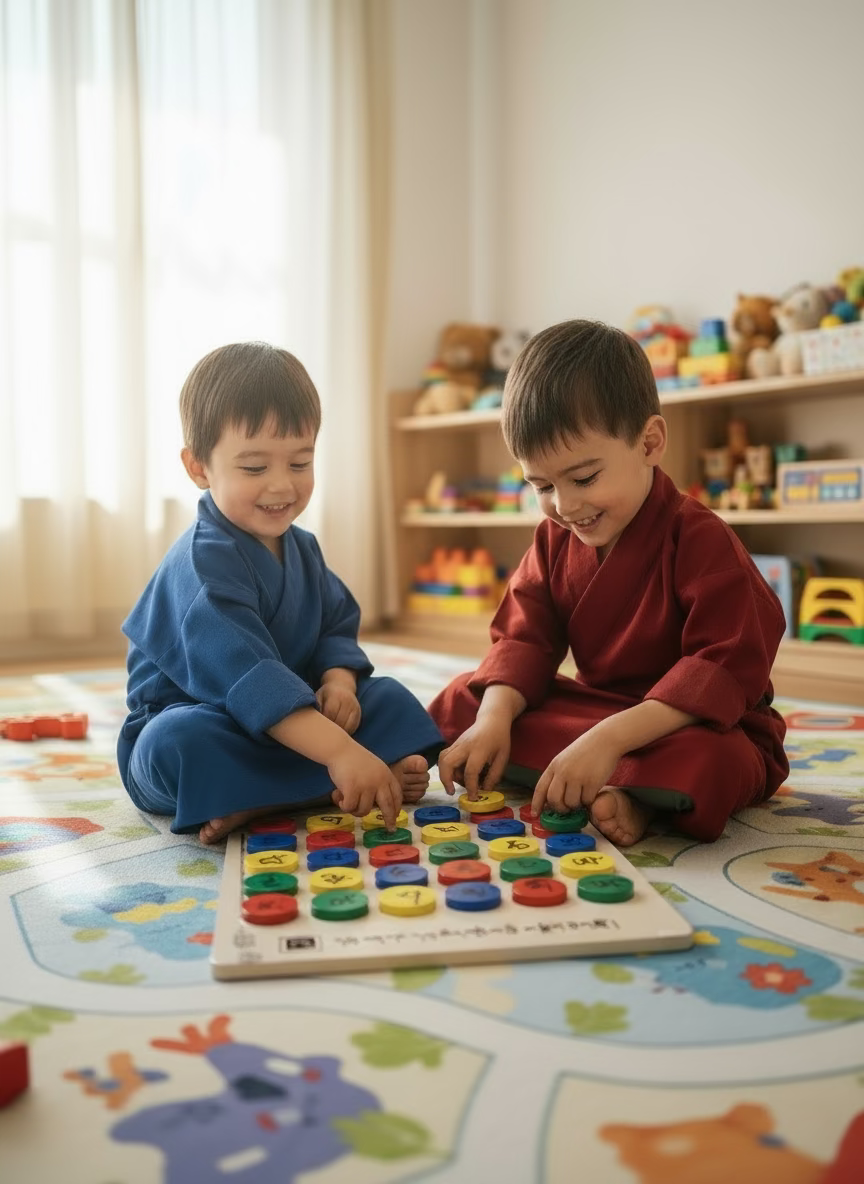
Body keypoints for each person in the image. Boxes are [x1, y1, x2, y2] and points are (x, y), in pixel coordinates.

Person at [430, 319, 789, 846]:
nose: (565, 505)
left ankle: (636, 799)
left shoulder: (702, 539)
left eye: (583, 478)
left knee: (715, 760)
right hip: (599, 712)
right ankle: (614, 783)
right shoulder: (554, 539)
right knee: (469, 699)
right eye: (542, 486)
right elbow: (523, 642)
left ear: (649, 443)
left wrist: (608, 741)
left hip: (692, 725)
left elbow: (723, 669)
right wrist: (494, 720)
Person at [117, 342, 443, 844]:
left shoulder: (302, 547)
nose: (281, 486)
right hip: (213, 722)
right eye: (254, 468)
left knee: (389, 698)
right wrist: (341, 752)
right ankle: (317, 783)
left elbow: (335, 624)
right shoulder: (203, 564)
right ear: (199, 467)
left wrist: (338, 683)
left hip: (297, 721)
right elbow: (250, 678)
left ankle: (263, 796)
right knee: (175, 742)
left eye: (299, 463)